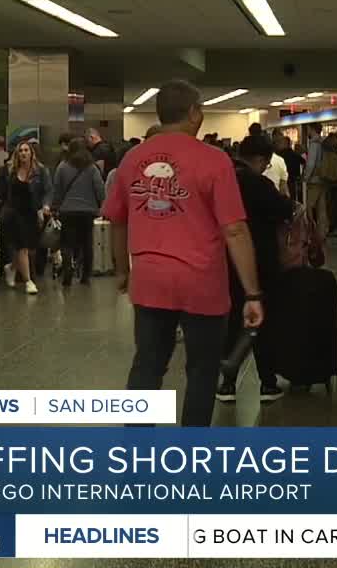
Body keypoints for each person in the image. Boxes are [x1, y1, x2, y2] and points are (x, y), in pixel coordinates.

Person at [103, 79, 264, 428]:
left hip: (150, 279)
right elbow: (234, 230)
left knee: (147, 366)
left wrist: (122, 270)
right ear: (193, 113)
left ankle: (136, 447)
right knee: (202, 371)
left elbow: (117, 220)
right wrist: (252, 293)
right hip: (202, 282)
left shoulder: (132, 159)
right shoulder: (214, 160)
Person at [216, 134, 295, 413]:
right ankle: (267, 383)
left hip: (225, 259)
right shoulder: (257, 183)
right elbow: (284, 209)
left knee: (231, 320)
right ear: (260, 160)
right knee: (262, 321)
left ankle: (227, 383)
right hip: (259, 260)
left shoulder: (222, 178)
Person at [0, 141, 50, 295]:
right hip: (13, 213)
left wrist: (45, 206)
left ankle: (11, 267)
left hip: (32, 213)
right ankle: (28, 281)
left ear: (31, 153)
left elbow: (47, 190)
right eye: (21, 151)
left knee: (30, 247)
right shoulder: (9, 170)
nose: (23, 153)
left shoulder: (41, 171)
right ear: (17, 154)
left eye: (26, 150)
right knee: (22, 247)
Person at [51, 138, 106, 287]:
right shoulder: (92, 168)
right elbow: (99, 188)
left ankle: (68, 270)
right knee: (87, 243)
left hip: (67, 211)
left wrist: (54, 207)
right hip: (88, 212)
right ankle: (85, 276)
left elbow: (57, 190)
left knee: (67, 243)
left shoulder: (62, 166)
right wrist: (103, 205)